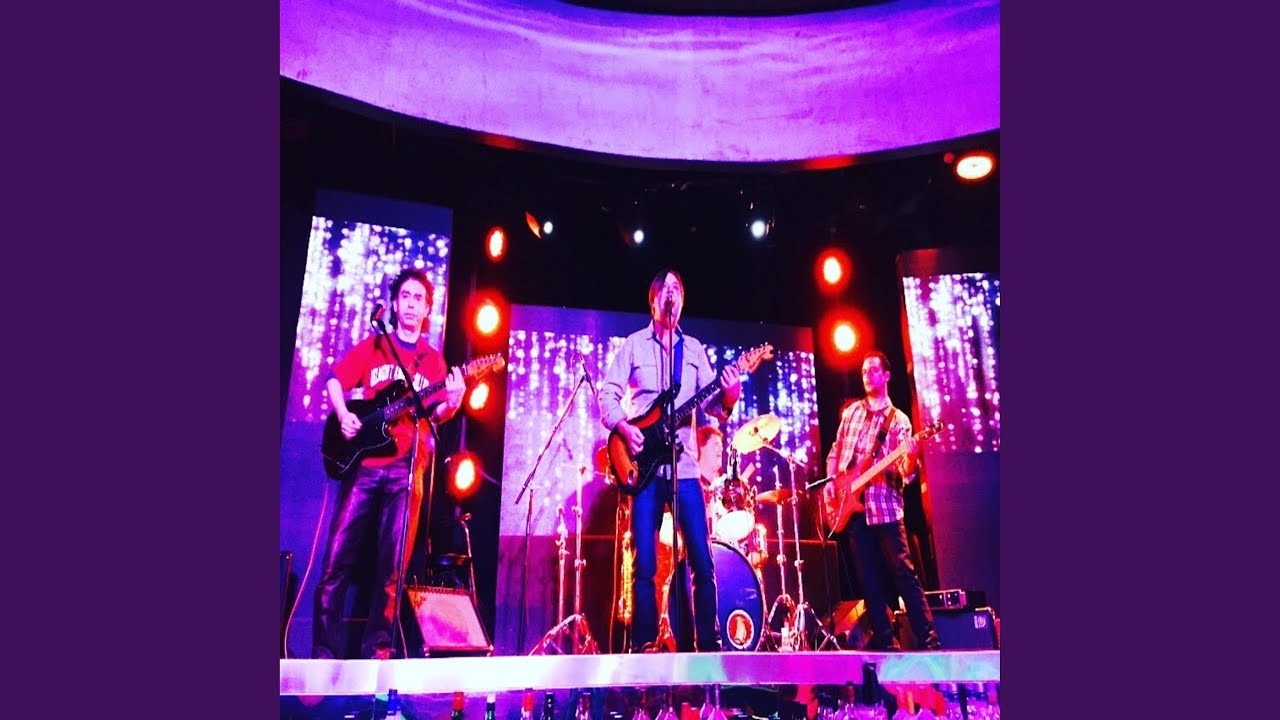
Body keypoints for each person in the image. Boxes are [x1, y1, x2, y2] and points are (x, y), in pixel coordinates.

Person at [312, 268, 466, 659]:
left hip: (407, 470)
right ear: (395, 304)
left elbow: (440, 414)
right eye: (406, 297)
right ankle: (324, 652)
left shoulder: (433, 362)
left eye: (419, 299)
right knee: (336, 558)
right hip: (365, 467)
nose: (411, 305)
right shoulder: (375, 346)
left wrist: (454, 400)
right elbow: (335, 379)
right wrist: (344, 414)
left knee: (393, 567)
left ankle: (378, 648)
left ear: (427, 309)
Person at [599, 269, 742, 652]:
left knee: (702, 563)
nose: (670, 293)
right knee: (644, 565)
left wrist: (730, 393)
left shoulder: (693, 349)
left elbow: (714, 408)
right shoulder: (634, 345)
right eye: (664, 289)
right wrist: (625, 427)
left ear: (682, 300)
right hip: (644, 467)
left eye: (676, 288)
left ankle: (707, 648)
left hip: (686, 468)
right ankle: (645, 648)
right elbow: (607, 395)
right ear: (653, 301)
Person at [822, 351, 941, 651]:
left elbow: (906, 472)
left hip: (885, 508)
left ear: (886, 376)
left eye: (873, 370)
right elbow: (835, 451)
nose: (867, 375)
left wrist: (911, 455)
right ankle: (886, 645)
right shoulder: (851, 413)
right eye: (864, 370)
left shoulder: (898, 420)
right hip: (853, 509)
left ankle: (930, 640)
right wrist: (831, 483)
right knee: (868, 581)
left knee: (904, 575)